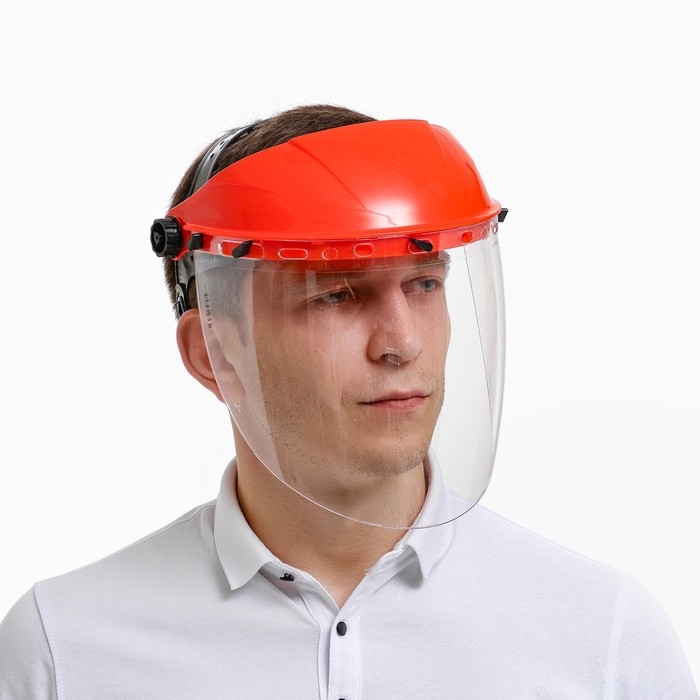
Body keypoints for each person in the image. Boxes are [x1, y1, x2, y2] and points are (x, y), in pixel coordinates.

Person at [0, 104, 696, 699]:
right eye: (336, 294)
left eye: (424, 284)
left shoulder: (602, 640)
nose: (402, 342)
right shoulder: (66, 651)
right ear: (214, 354)